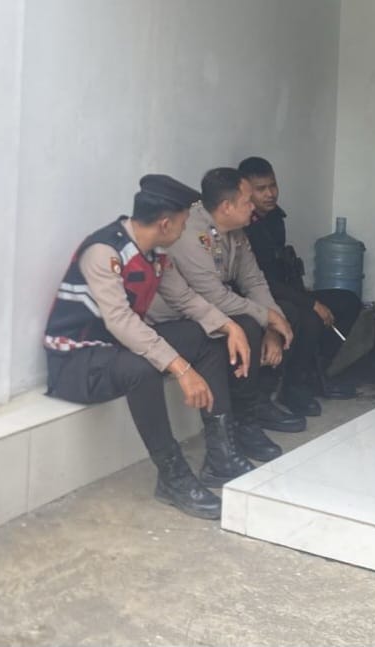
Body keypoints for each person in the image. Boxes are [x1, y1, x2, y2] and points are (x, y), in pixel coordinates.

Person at [44, 174, 256, 520]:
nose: (185, 230)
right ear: (165, 224)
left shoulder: (156, 253)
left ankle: (220, 456)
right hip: (77, 360)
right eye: (183, 223)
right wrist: (181, 369)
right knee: (142, 369)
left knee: (205, 336)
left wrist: (229, 326)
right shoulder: (104, 252)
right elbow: (121, 322)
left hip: (117, 349)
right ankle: (173, 477)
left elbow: (184, 298)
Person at [148, 167, 321, 441]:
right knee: (249, 326)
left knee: (286, 315)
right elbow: (213, 296)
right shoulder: (190, 234)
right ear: (227, 207)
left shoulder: (235, 230)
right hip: (179, 318)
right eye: (247, 201)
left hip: (209, 311)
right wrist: (268, 318)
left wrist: (273, 325)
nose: (253, 207)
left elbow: (253, 281)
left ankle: (259, 402)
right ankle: (242, 419)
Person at [239, 156, 359, 405]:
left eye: (273, 185)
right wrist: (310, 303)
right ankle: (292, 386)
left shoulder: (274, 218)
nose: (270, 194)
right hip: (260, 296)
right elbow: (260, 281)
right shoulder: (244, 226)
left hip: (285, 290)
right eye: (261, 189)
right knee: (308, 316)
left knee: (347, 301)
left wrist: (306, 296)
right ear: (245, 191)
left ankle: (315, 373)